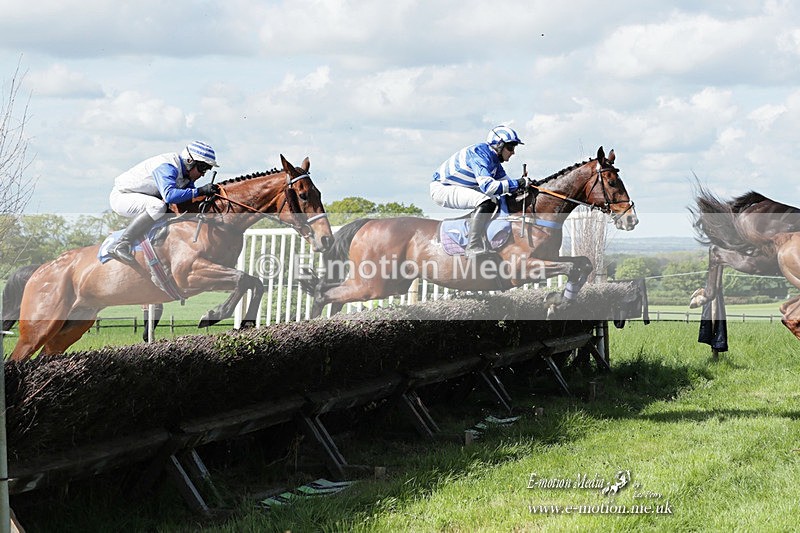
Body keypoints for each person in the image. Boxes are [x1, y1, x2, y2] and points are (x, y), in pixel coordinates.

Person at [108, 141, 220, 264]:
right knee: (158, 207)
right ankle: (121, 244)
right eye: (202, 168)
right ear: (189, 161)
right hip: (123, 196)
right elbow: (169, 196)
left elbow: (189, 198)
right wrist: (200, 190)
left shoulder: (186, 175)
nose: (203, 174)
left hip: (141, 196)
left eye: (207, 170)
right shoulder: (168, 166)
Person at [430, 125, 527, 256]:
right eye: (510, 147)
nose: (513, 152)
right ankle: (472, 245)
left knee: (498, 200)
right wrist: (518, 183)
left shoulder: (494, 161)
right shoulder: (479, 154)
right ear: (499, 145)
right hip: (443, 188)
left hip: (460, 186)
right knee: (486, 201)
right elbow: (489, 187)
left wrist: (524, 185)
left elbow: (508, 186)